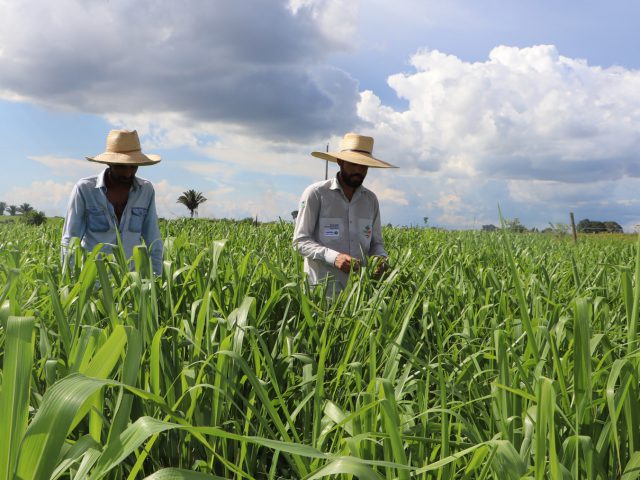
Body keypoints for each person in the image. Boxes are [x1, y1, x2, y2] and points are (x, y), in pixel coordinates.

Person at [293, 132, 396, 295]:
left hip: (359, 294)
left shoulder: (370, 200)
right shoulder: (316, 194)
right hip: (321, 294)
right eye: (354, 164)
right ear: (340, 162)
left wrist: (380, 259)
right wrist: (334, 257)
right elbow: (300, 242)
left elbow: (376, 243)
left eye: (364, 166)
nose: (359, 170)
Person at [61, 129, 163, 274]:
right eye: (121, 166)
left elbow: (154, 239)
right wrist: (70, 281)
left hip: (132, 281)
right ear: (109, 163)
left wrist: (157, 279)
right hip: (94, 280)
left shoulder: (145, 190)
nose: (128, 173)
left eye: (133, 166)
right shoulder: (85, 189)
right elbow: (70, 240)